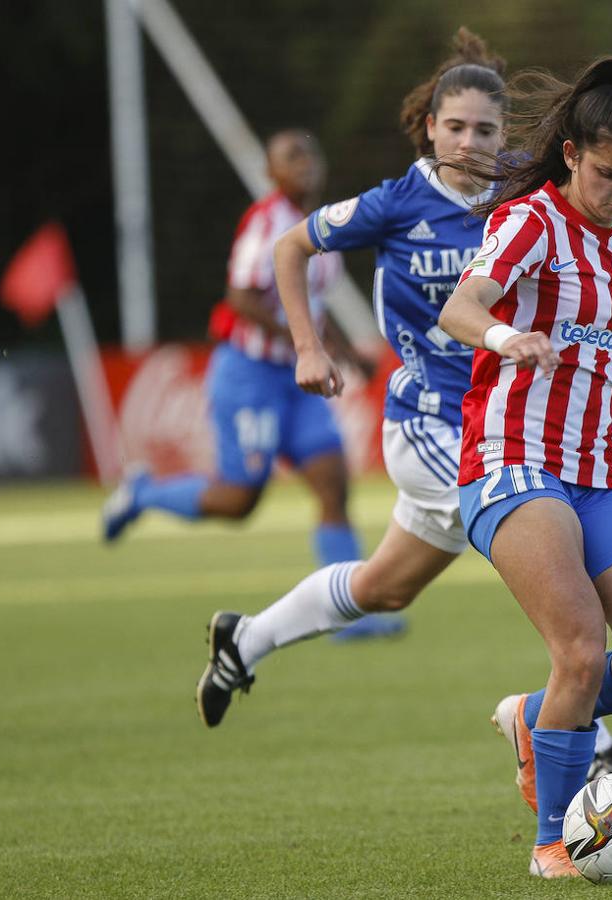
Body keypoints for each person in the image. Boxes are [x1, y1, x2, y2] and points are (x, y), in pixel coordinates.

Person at [193, 31, 612, 786]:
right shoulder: (395, 202)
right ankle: (589, 731)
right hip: (431, 425)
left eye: (485, 129)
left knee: (385, 585)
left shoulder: (528, 196)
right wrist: (309, 347)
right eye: (455, 127)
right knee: (548, 548)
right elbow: (289, 248)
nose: (469, 142)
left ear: (505, 133)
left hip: (511, 418)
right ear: (429, 128)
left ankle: (244, 640)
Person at [437, 56, 612, 878]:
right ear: (571, 155)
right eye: (608, 173)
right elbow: (461, 306)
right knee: (580, 650)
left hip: (599, 469)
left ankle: (537, 720)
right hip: (510, 461)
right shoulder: (530, 223)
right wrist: (504, 337)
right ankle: (551, 845)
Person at [100, 131, 393, 638]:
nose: (305, 164)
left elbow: (313, 310)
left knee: (332, 484)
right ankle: (144, 493)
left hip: (294, 378)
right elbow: (240, 297)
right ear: (270, 174)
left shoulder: (325, 228)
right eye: (291, 157)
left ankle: (350, 618)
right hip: (250, 376)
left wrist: (347, 355)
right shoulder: (267, 221)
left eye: (310, 154)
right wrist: (304, 344)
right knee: (238, 500)